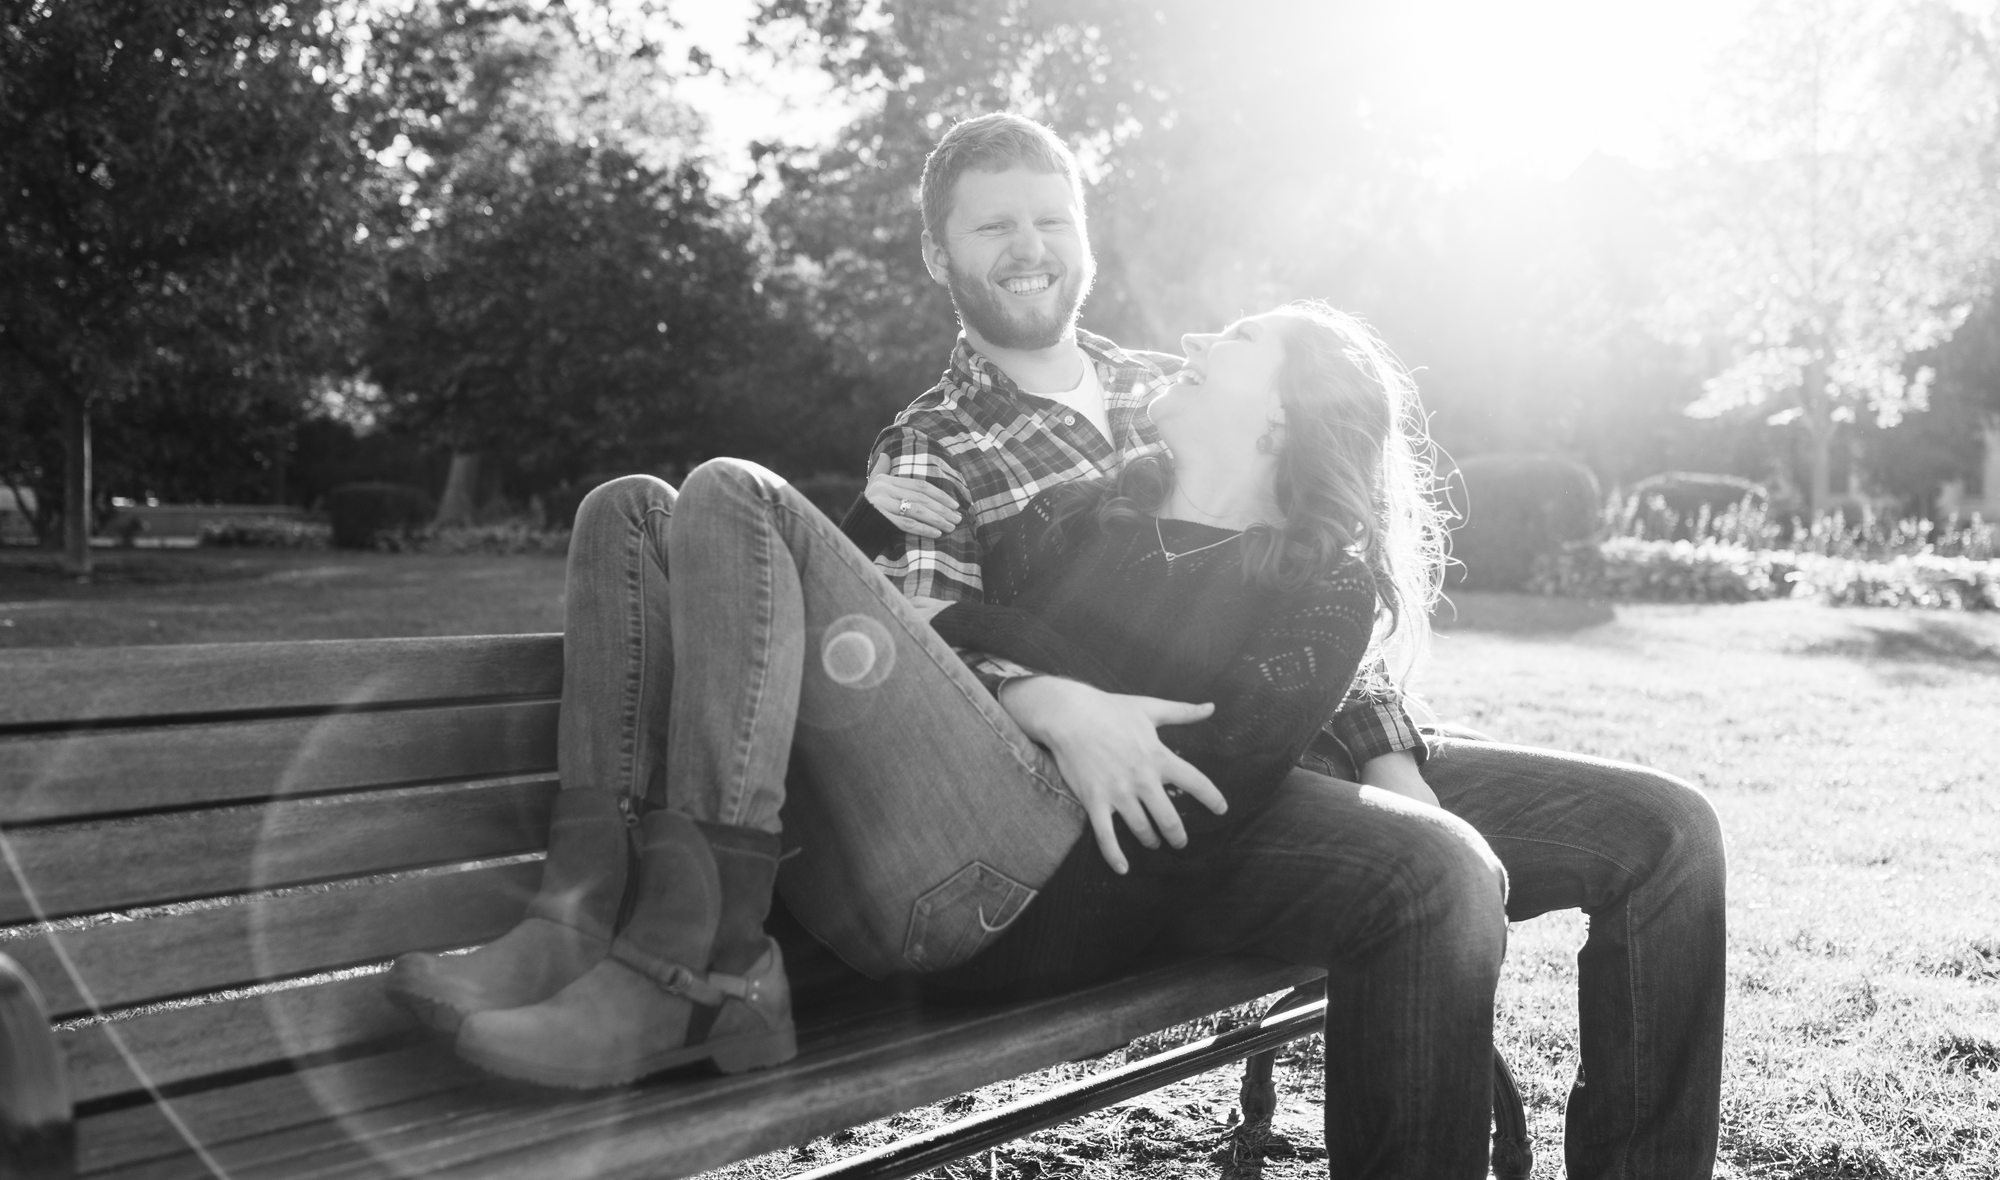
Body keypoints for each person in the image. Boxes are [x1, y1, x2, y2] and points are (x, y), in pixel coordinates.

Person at [388, 295, 1516, 1175]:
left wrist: (1022, 662)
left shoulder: (1322, 586)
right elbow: (940, 630)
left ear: (1281, 413)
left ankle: (705, 973)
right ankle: (578, 920)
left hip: (1038, 905)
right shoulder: (1095, 507)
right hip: (932, 824)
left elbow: (1192, 771)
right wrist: (1051, 698)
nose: (1191, 339)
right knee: (631, 508)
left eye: (1235, 337)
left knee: (735, 489)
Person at [857, 113, 1727, 1179]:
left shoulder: (1166, 382)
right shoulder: (930, 442)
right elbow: (931, 661)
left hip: (1315, 732)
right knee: (1427, 873)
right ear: (936, 251)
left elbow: (1313, 579)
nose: (1029, 246)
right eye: (992, 225)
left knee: (1666, 833)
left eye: (1050, 217)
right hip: (1169, 791)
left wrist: (1390, 756)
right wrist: (1049, 699)